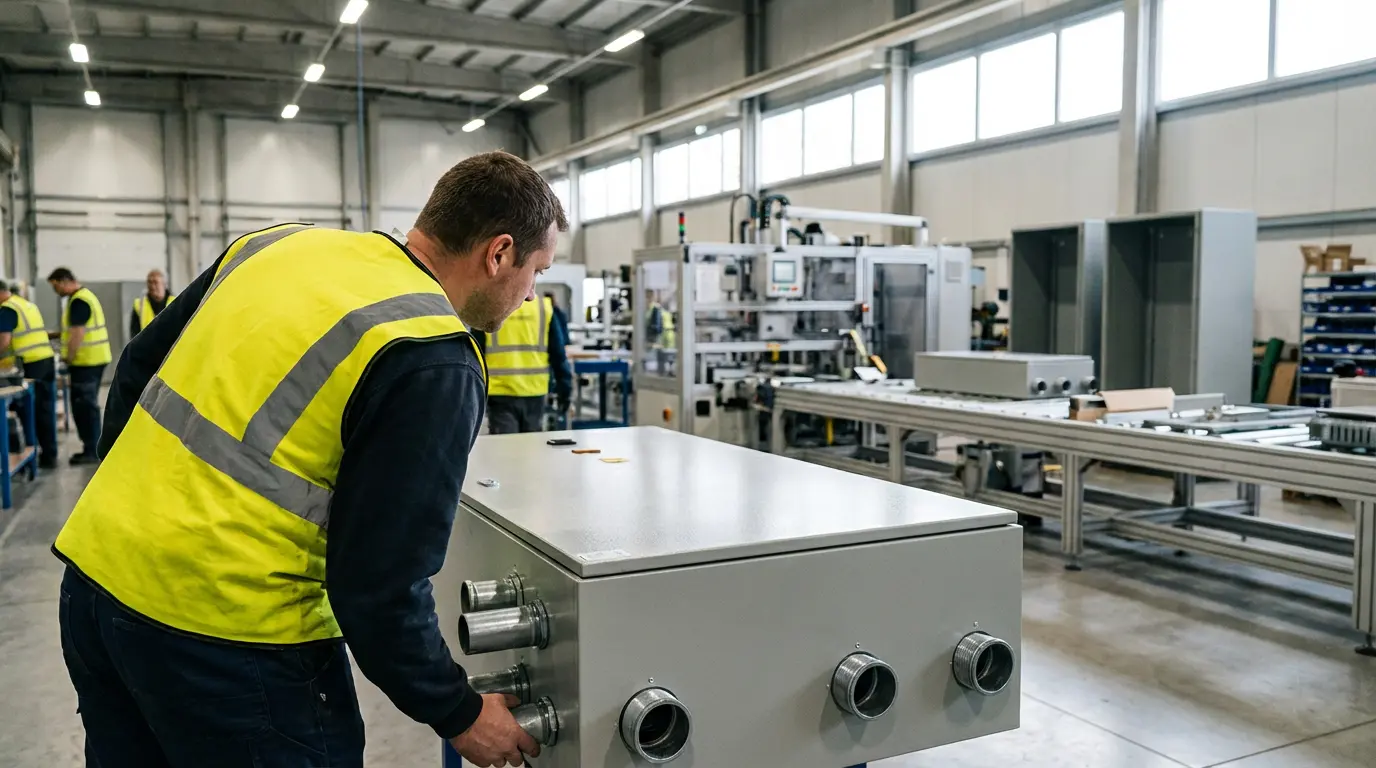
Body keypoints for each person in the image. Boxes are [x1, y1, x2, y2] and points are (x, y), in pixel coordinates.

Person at [53, 151, 567, 768]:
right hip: (233, 639)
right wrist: (457, 711)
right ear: (499, 253)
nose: (531, 293)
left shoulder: (277, 245)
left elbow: (138, 367)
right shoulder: (431, 351)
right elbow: (379, 584)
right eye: (536, 270)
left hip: (95, 585)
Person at [47, 267, 111, 465]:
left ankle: (92, 450)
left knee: (85, 406)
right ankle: (92, 447)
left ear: (65, 280)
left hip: (86, 361)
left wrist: (68, 358)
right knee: (87, 405)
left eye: (56, 286)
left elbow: (77, 333)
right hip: (94, 360)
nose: (55, 291)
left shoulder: (78, 301)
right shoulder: (85, 296)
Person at [483, 292, 572, 434]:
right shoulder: (543, 308)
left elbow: (476, 352)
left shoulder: (490, 305)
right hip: (534, 390)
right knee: (531, 448)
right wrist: (565, 391)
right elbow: (558, 355)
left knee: (505, 449)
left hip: (500, 391)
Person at [0, 283, 58, 469]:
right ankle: (48, 455)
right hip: (46, 360)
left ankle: (32, 455)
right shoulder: (26, 304)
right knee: (45, 410)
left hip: (33, 366)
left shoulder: (7, 309)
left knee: (31, 411)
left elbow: (3, 341)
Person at [130, 268, 175, 336]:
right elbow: (134, 333)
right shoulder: (139, 304)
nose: (152, 286)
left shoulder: (175, 302)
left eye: (155, 282)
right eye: (149, 282)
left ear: (164, 284)